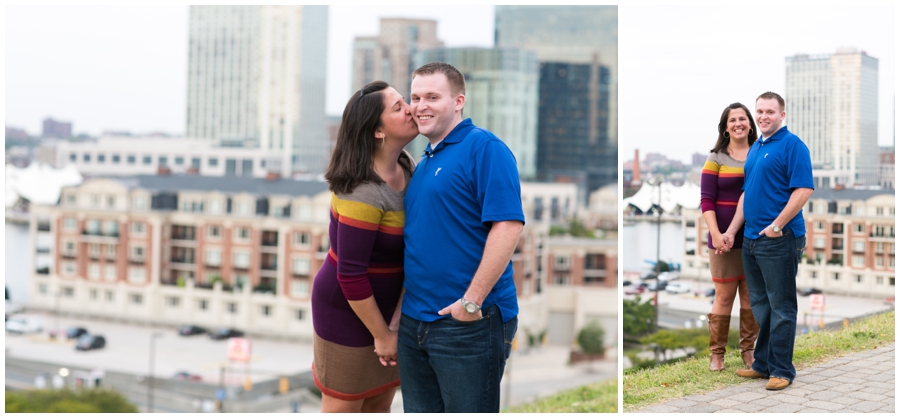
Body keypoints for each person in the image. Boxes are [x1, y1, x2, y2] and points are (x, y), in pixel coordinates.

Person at [398, 61, 524, 413]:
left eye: (433, 97)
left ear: (458, 101)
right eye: (415, 97)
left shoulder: (483, 148)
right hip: (416, 322)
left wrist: (471, 303)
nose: (420, 106)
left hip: (467, 323)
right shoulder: (424, 160)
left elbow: (508, 225)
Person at [311, 80, 419, 412]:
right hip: (348, 312)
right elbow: (351, 275)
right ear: (376, 131)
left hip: (389, 312)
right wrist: (383, 335)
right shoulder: (362, 190)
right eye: (398, 107)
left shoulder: (406, 166)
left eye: (405, 102)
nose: (411, 109)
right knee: (345, 405)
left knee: (377, 405)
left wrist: (393, 325)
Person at [722, 91, 813, 391]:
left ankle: (782, 370)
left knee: (782, 306)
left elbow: (803, 190)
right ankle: (762, 364)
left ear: (782, 115)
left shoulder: (792, 145)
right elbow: (747, 195)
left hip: (779, 239)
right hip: (751, 240)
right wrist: (734, 230)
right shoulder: (757, 147)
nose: (763, 116)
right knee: (761, 306)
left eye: (770, 112)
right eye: (759, 111)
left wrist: (777, 225)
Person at [701, 103, 760, 371]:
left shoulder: (761, 152)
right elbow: (706, 200)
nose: (738, 123)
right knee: (724, 296)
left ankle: (749, 352)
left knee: (750, 295)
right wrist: (715, 234)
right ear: (726, 127)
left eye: (743, 118)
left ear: (750, 123)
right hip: (721, 240)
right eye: (732, 119)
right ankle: (717, 354)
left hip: (753, 236)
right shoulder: (716, 158)